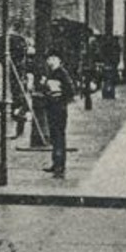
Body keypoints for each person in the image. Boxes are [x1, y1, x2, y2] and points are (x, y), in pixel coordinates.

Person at [38, 50, 76, 179]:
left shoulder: (61, 73)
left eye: (53, 59)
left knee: (59, 137)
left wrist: (59, 99)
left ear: (59, 60)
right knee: (55, 137)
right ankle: (56, 163)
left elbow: (70, 91)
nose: (50, 61)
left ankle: (59, 165)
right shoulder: (52, 73)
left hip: (58, 109)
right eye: (49, 59)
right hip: (52, 108)